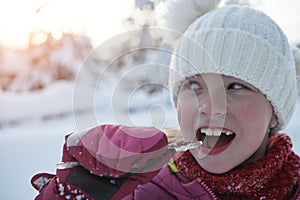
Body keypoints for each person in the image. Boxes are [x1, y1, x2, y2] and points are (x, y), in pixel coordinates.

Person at [31, 3, 300, 200]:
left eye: (236, 86)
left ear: (274, 110)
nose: (211, 106)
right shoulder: (139, 193)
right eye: (194, 85)